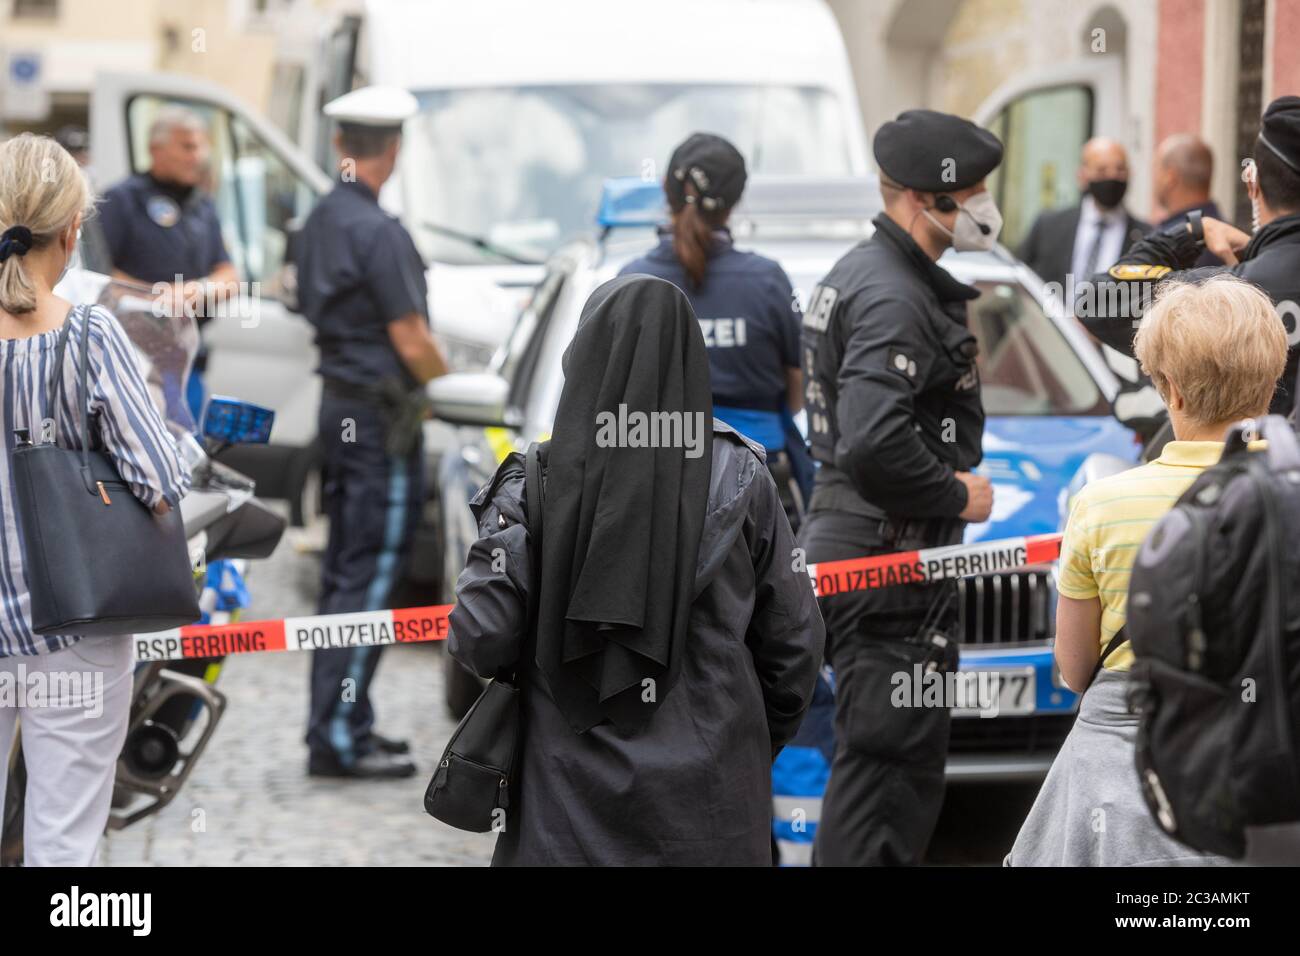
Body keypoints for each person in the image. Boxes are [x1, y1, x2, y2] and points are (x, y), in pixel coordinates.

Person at [447, 275, 825, 865]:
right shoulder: (742, 478)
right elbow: (795, 649)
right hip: (711, 812)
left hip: (564, 815)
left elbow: (481, 637)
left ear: (584, 356)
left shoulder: (532, 485)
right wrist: (738, 743)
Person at [1007, 275, 1285, 866]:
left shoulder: (1101, 504)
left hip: (1124, 785)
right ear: (1271, 383)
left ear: (1171, 392)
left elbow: (1076, 669)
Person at [800, 109, 1001, 866]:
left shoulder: (867, 271)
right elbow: (874, 439)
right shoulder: (891, 294)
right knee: (887, 778)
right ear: (929, 200)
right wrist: (957, 495)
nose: (986, 207)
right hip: (890, 562)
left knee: (881, 768)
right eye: (975, 192)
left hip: (868, 547)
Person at [0, 134, 190, 865]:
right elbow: (159, 479)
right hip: (75, 633)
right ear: (72, 230)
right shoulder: (90, 337)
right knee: (63, 841)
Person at [295, 86, 448, 779]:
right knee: (372, 578)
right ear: (393, 150)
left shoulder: (323, 219)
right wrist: (448, 386)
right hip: (382, 420)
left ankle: (342, 719)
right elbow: (413, 341)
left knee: (345, 575)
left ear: (340, 147)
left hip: (340, 408)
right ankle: (338, 736)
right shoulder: (380, 232)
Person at [618, 133, 810, 521]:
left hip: (653, 489)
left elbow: (606, 391)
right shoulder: (768, 281)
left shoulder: (629, 281)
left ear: (665, 188)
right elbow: (798, 391)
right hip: (760, 483)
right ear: (735, 202)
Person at [1082, 96, 1300, 418]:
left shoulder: (1231, 293)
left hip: (1255, 463)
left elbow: (1097, 300)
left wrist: (1192, 231)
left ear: (1252, 183)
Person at [96, 105, 238, 421]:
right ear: (155, 149)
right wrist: (156, 299)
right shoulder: (121, 199)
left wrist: (196, 290)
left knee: (189, 456)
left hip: (189, 362)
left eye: (201, 146)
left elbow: (229, 275)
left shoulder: (202, 204)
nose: (198, 156)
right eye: (187, 146)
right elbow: (95, 273)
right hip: (134, 361)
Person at [1018, 137, 1149, 293]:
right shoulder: (1049, 227)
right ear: (1082, 175)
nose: (1112, 177)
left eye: (1120, 170)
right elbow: (1021, 275)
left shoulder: (1145, 237)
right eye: (1102, 171)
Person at [1153, 133, 1223, 268]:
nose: (1154, 179)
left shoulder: (1166, 243)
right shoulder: (1227, 234)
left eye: (1157, 168)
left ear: (1169, 177)